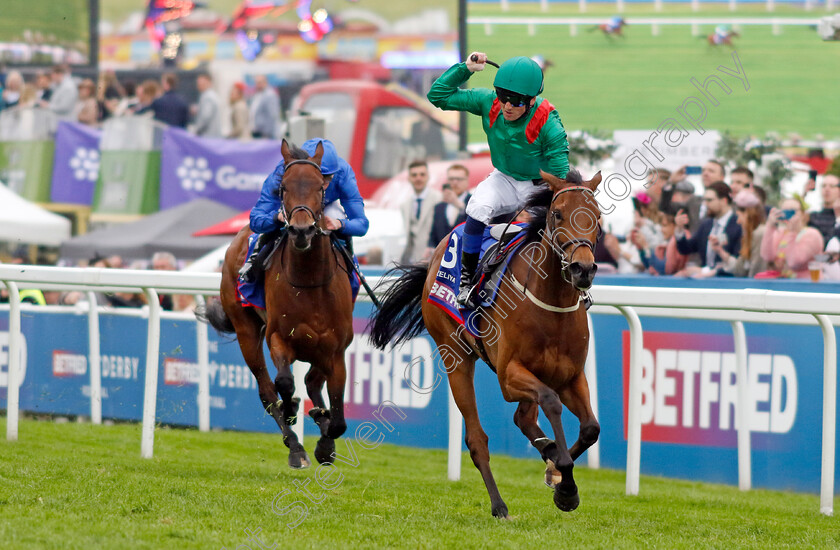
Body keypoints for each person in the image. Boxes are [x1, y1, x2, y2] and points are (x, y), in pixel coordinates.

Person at [427, 52, 570, 306]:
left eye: (516, 101)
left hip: (540, 186)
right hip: (504, 178)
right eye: (503, 96)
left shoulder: (550, 124)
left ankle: (574, 286)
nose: (507, 106)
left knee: (560, 223)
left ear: (531, 100)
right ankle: (467, 282)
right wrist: (466, 69)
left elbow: (560, 179)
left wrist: (542, 206)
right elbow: (437, 96)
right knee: (477, 206)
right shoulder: (488, 101)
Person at [239, 138, 369, 282]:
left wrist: (340, 224)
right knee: (273, 226)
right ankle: (253, 262)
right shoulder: (283, 172)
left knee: (334, 214)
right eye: (319, 178)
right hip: (292, 206)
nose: (324, 185)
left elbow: (362, 225)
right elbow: (256, 221)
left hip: (326, 208)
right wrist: (276, 218)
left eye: (328, 179)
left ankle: (351, 269)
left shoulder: (343, 172)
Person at [674, 181, 742, 272]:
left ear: (724, 201)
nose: (706, 204)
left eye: (709, 200)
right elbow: (685, 249)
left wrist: (706, 271)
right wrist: (680, 229)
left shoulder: (738, 225)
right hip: (705, 281)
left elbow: (739, 263)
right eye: (705, 200)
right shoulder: (706, 224)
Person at [761, 196, 824, 279]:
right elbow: (767, 257)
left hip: (806, 285)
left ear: (802, 213)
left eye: (792, 211)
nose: (788, 214)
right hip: (783, 285)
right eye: (785, 211)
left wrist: (792, 232)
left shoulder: (812, 234)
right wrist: (770, 227)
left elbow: (795, 262)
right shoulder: (780, 233)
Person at [713, 190, 767, 277]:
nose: (738, 221)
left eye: (739, 216)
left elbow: (756, 273)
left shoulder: (760, 234)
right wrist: (720, 251)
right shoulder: (751, 236)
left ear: (749, 214)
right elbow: (740, 269)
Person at [400, 160, 441, 263]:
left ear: (428, 177)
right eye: (414, 175)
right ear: (409, 178)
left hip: (434, 260)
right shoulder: (405, 205)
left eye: (422, 175)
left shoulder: (439, 199)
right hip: (412, 262)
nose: (418, 178)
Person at [427, 164, 471, 254]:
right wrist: (430, 248)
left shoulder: (474, 202)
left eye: (459, 179)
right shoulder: (439, 207)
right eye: (451, 179)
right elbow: (433, 235)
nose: (455, 182)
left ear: (467, 181)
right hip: (442, 259)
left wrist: (459, 205)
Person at [808, 174, 840, 243]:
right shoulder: (813, 216)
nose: (827, 189)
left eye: (832, 186)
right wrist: (805, 193)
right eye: (824, 186)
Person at [192, 72, 221, 138]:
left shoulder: (208, 97)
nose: (198, 85)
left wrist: (196, 130)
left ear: (208, 82)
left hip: (208, 137)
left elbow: (205, 117)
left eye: (200, 83)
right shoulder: (212, 95)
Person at [250, 75, 280, 139]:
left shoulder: (270, 95)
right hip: (257, 132)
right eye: (256, 83)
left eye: (260, 83)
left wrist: (267, 134)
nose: (258, 85)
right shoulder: (257, 95)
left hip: (266, 134)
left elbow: (272, 116)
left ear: (265, 83)